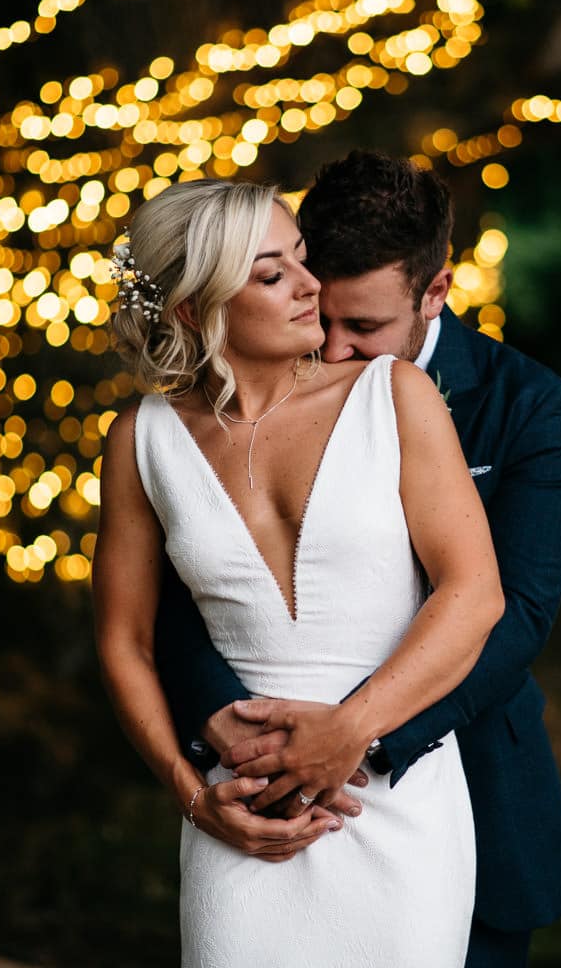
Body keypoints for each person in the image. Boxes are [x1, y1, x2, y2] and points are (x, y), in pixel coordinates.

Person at [153, 151, 561, 968]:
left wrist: (360, 741)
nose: (337, 351)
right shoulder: (248, 386)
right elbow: (185, 592)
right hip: (263, 787)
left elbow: (517, 616)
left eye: (367, 329)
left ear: (436, 293)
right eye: (327, 321)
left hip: (461, 784)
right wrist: (227, 732)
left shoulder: (528, 405)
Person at [93, 178, 505, 966]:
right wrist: (194, 798)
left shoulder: (395, 395)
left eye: (303, 259)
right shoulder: (141, 440)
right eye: (273, 272)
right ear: (193, 308)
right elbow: (124, 640)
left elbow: (473, 594)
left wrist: (351, 731)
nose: (313, 285)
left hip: (393, 807)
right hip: (245, 816)